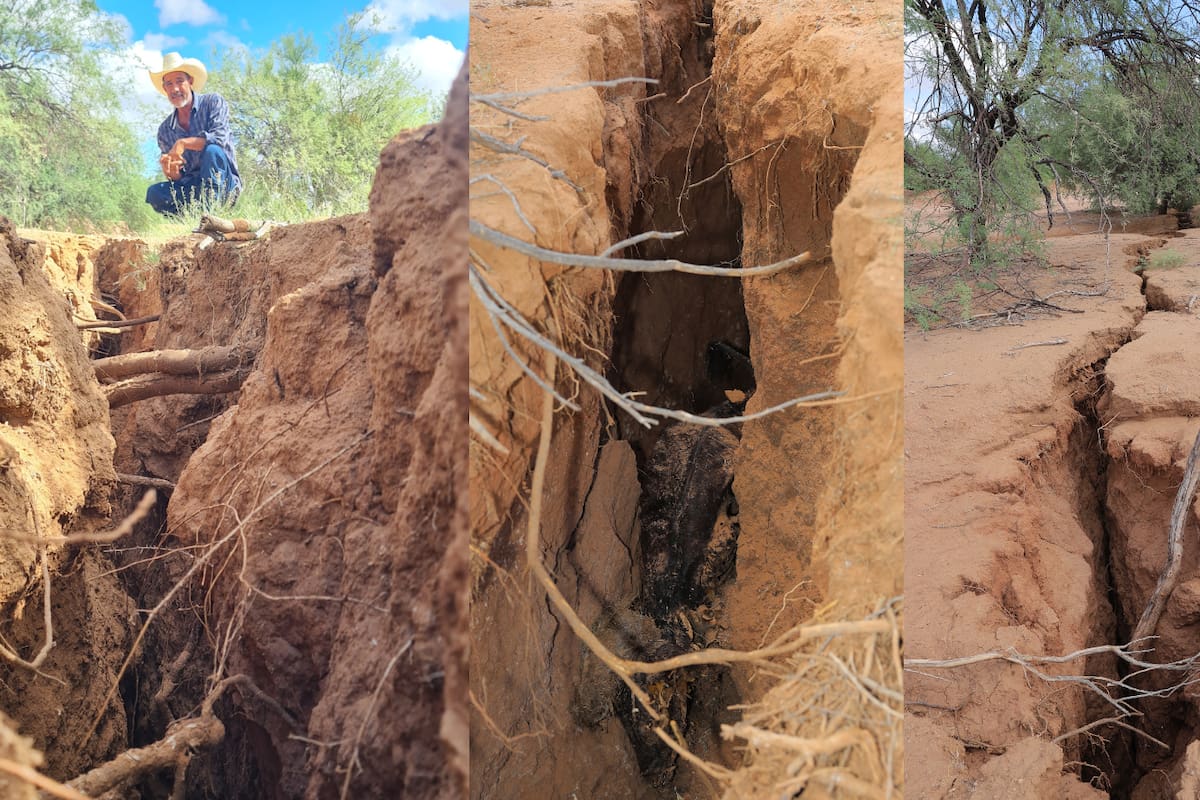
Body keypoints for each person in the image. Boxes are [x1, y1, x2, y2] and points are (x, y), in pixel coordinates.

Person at [145, 53, 242, 216]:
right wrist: (171, 171)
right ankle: (193, 219)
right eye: (169, 84)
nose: (175, 89)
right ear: (165, 89)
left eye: (179, 81)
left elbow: (219, 139)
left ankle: (213, 214)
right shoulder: (164, 130)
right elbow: (179, 178)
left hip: (224, 183)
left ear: (190, 82)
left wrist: (182, 143)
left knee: (212, 151)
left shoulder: (212, 102)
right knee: (154, 193)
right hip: (193, 190)